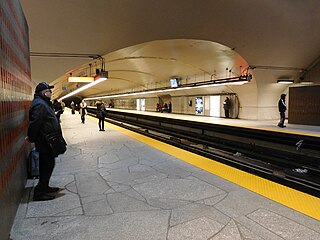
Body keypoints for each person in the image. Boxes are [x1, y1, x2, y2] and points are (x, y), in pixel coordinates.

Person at [27, 82, 63, 201]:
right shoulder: (40, 104)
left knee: (48, 163)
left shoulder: (43, 103)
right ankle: (39, 192)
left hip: (47, 139)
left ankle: (45, 186)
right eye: (49, 91)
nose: (51, 93)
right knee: (46, 164)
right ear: (44, 92)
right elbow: (35, 123)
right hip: (44, 140)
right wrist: (32, 137)